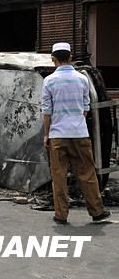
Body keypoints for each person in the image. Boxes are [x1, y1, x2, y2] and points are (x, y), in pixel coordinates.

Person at [41, 42, 111, 225]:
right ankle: (97, 212)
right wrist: (76, 121)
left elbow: (47, 111)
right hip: (79, 133)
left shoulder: (48, 81)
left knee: (59, 175)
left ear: (53, 59)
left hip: (58, 135)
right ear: (70, 57)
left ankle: (61, 215)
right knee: (87, 173)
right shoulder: (82, 79)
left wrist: (46, 135)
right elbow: (86, 108)